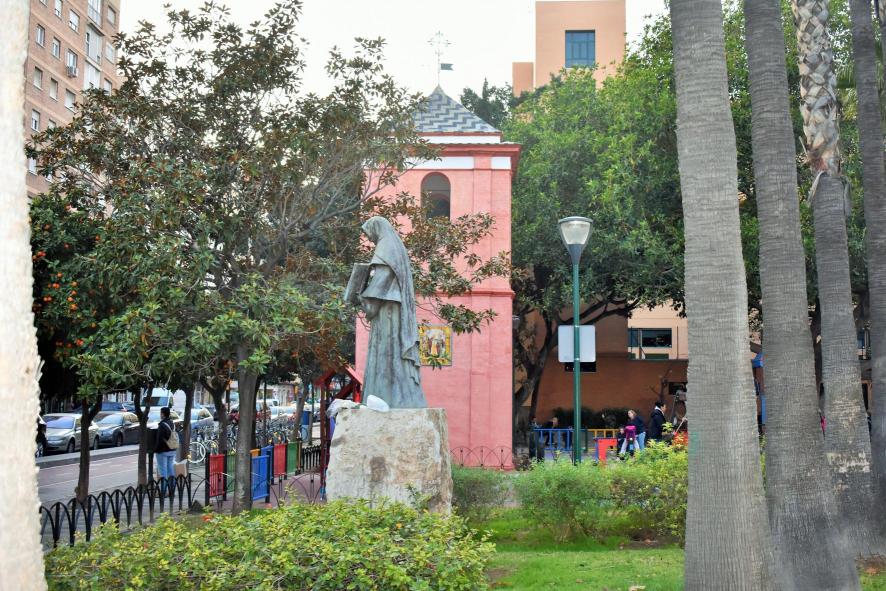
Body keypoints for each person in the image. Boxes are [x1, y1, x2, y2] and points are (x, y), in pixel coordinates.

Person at [154, 407, 177, 495]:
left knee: (163, 471)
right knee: (171, 470)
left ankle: (163, 491)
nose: (160, 415)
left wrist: (156, 449)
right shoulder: (172, 423)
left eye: (161, 413)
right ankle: (172, 489)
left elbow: (159, 440)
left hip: (163, 451)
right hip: (172, 448)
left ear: (163, 414)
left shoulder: (162, 425)